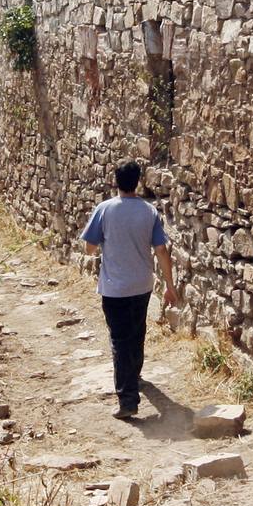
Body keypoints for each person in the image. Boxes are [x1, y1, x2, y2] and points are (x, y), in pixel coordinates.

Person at [80, 161, 180, 421]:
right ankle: (134, 377)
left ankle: (128, 399)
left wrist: (105, 241)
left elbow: (89, 248)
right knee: (136, 334)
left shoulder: (105, 209)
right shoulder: (149, 212)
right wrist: (169, 286)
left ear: (115, 181)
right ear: (138, 182)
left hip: (114, 287)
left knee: (119, 341)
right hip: (142, 285)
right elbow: (161, 251)